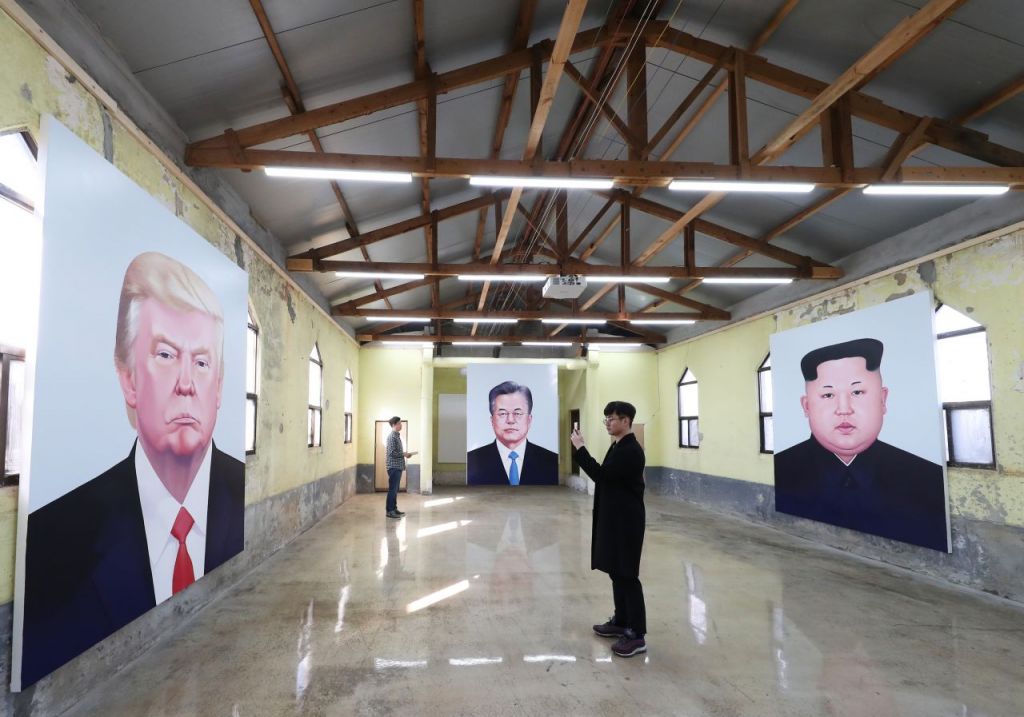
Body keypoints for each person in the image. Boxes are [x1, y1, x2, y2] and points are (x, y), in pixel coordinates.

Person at [21, 252, 245, 687]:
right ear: (128, 378)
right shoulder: (58, 538)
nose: (186, 383)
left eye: (202, 362)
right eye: (165, 354)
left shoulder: (239, 496)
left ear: (218, 388)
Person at [774, 338, 948, 551]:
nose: (844, 409)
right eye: (828, 395)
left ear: (883, 400)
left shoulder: (926, 478)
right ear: (806, 406)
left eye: (857, 392)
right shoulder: (783, 469)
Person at [570, 401, 647, 658]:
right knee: (617, 571)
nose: (608, 423)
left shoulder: (630, 450)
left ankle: (637, 634)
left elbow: (602, 476)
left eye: (612, 419)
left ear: (626, 421)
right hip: (616, 519)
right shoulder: (618, 446)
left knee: (628, 575)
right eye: (606, 419)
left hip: (627, 522)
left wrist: (580, 449)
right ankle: (622, 620)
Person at [466, 381, 558, 486]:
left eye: (518, 413)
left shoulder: (551, 460)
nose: (510, 420)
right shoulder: (472, 460)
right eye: (502, 413)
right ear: (492, 421)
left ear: (529, 420)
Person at [385, 416, 415, 518]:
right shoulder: (392, 437)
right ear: (394, 425)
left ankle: (394, 509)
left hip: (397, 466)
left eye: (401, 423)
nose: (401, 425)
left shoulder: (396, 436)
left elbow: (396, 452)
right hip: (393, 466)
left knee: (395, 489)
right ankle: (390, 511)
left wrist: (404, 454)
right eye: (399, 423)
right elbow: (392, 453)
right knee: (393, 489)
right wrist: (404, 454)